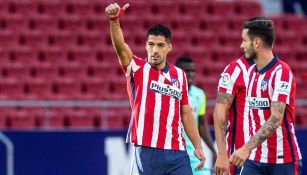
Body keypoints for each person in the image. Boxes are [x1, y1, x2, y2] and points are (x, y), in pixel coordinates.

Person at [105, 3, 205, 175]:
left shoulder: (179, 75)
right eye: (151, 44)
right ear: (145, 46)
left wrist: (197, 146)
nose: (154, 50)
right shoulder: (137, 68)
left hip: (177, 151)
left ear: (169, 47)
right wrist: (114, 21)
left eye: (160, 45)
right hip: (147, 150)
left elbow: (186, 113)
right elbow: (120, 47)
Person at [229, 17, 302, 175]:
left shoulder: (281, 72)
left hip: (283, 160)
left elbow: (276, 118)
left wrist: (246, 147)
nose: (241, 45)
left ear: (256, 42)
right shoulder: (250, 73)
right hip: (255, 159)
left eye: (244, 40)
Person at [213, 50, 254, 174]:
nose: (242, 45)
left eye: (245, 40)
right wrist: (221, 154)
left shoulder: (277, 71)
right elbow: (219, 112)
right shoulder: (235, 70)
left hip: (269, 156)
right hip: (239, 156)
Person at [176, 56, 217, 175]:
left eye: (192, 71)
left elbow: (202, 125)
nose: (190, 74)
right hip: (176, 153)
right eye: (186, 71)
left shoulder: (199, 94)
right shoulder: (170, 93)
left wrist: (212, 150)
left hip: (195, 154)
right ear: (178, 71)